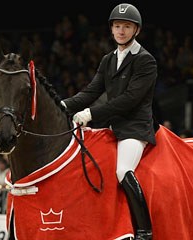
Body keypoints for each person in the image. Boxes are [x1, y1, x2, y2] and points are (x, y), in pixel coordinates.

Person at [61, 3, 156, 239]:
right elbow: (91, 91)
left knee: (123, 171)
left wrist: (91, 114)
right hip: (113, 128)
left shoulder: (145, 60)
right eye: (117, 26)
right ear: (112, 30)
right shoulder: (108, 59)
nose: (121, 31)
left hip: (135, 129)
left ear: (136, 30)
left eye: (126, 26)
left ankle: (145, 232)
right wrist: (62, 105)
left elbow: (130, 100)